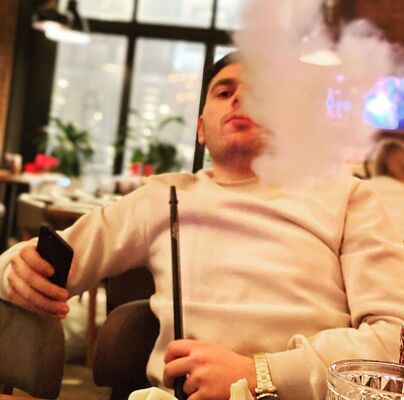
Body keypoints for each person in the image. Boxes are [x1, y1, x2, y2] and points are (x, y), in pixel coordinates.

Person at [1, 52, 404, 400]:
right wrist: (15, 272)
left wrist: (260, 373)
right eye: (223, 92)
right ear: (200, 129)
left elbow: (393, 340)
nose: (239, 98)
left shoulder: (348, 197)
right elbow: (40, 260)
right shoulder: (164, 197)